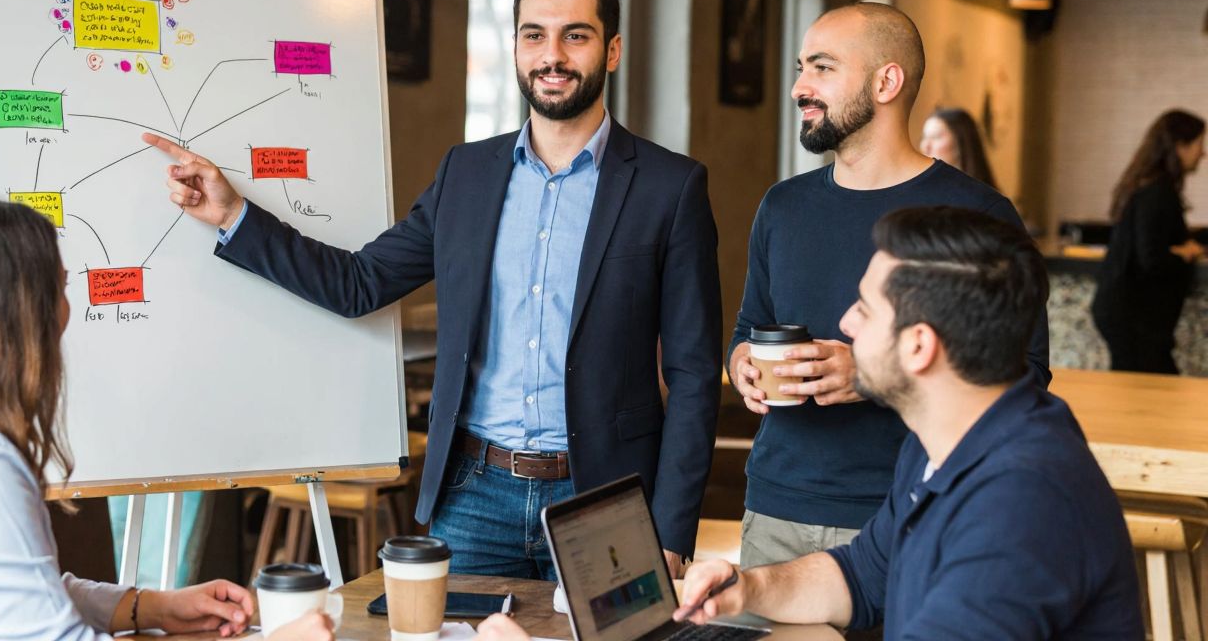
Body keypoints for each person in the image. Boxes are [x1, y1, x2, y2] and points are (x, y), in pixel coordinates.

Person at [143, 0, 721, 579]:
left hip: (605, 499)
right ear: (517, 47)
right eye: (535, 35)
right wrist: (234, 215)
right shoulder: (465, 175)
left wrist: (670, 530)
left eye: (574, 36)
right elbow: (360, 283)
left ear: (611, 51)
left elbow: (693, 373)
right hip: (474, 497)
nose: (552, 56)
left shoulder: (671, 186)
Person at [475, 209, 1138, 641]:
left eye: (864, 309)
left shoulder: (1022, 502)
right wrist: (743, 588)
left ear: (919, 347)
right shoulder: (950, 440)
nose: (845, 324)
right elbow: (862, 574)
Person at [0, 199, 328, 641]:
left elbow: (16, 591)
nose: (66, 312)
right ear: (16, 316)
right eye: (59, 288)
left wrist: (148, 607)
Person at [727, 3, 1051, 572]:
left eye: (822, 68)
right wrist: (743, 366)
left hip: (908, 512)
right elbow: (749, 328)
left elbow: (1025, 374)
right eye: (801, 67)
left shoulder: (977, 213)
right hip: (775, 509)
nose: (800, 86)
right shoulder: (781, 206)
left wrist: (873, 376)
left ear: (886, 81)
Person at [1092, 109, 1206, 374]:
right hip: (1133, 317)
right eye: (1200, 144)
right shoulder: (1157, 193)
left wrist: (1185, 246)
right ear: (1180, 146)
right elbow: (1152, 259)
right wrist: (1184, 255)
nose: (1203, 153)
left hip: (1129, 314)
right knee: (1149, 391)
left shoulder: (1151, 187)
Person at [919, 107, 997, 189]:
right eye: (924, 137)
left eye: (936, 137)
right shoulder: (920, 192)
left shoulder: (989, 199)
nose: (925, 146)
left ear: (961, 142)